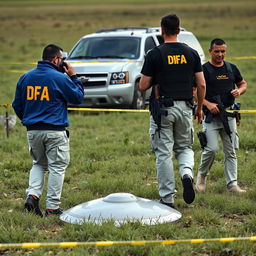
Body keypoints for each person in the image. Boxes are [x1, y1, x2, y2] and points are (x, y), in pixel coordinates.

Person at [139, 14, 206, 208]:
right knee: (184, 147)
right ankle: (186, 173)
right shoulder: (191, 53)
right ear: (179, 30)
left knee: (164, 153)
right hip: (185, 107)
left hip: (163, 111)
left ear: (162, 30)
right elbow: (201, 83)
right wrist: (199, 108)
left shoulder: (155, 53)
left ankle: (167, 198)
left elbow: (143, 86)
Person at [12, 44, 84, 217]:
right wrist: (74, 77)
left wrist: (29, 120)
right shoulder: (60, 78)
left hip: (32, 130)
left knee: (38, 164)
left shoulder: (25, 77)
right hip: (55, 131)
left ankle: (33, 196)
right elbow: (78, 97)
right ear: (55, 60)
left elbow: (17, 104)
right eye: (62, 60)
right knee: (57, 167)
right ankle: (52, 207)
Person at [196, 38, 247, 194]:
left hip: (229, 116)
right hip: (211, 118)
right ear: (210, 51)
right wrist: (207, 104)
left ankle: (232, 184)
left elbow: (243, 84)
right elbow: (194, 91)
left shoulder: (231, 68)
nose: (220, 54)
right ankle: (201, 177)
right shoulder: (203, 69)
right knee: (211, 149)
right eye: (217, 51)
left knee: (231, 151)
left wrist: (239, 91)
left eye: (223, 51)